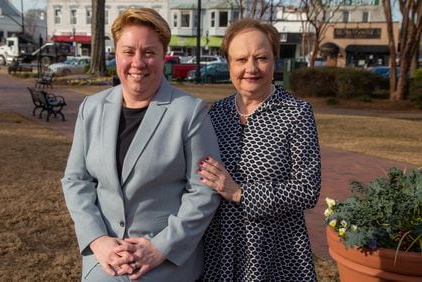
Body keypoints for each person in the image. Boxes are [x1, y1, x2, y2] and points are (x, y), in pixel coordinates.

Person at [61, 8, 221, 281]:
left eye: (149, 52)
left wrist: (161, 247)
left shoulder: (189, 113)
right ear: (116, 53)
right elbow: (76, 180)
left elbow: (203, 192)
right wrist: (98, 240)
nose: (138, 62)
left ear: (163, 55)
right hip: (105, 262)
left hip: (166, 265)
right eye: (128, 51)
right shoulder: (92, 107)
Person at [198, 18, 321, 281]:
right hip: (220, 249)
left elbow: (307, 190)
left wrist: (240, 193)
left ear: (274, 60)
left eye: (261, 58)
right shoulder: (217, 113)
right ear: (229, 64)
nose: (251, 68)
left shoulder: (296, 113)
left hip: (276, 251)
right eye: (241, 59)